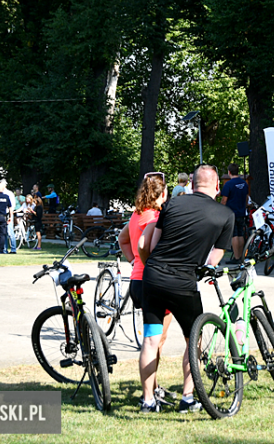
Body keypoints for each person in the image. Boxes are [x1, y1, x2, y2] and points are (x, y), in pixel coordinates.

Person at [137, 164, 233, 414]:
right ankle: (187, 397)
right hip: (183, 284)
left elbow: (152, 245)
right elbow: (213, 261)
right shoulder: (225, 215)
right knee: (195, 339)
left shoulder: (171, 204)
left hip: (153, 277)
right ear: (216, 186)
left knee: (150, 339)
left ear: (192, 184)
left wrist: (154, 270)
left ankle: (148, 401)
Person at [118, 172, 174, 403]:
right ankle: (152, 391)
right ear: (163, 194)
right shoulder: (156, 219)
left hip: (136, 281)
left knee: (153, 338)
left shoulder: (136, 216)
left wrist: (133, 261)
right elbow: (150, 247)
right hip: (154, 281)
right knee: (157, 341)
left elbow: (123, 240)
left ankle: (154, 388)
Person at [220, 163, 249, 262]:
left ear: (229, 172)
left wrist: (220, 209)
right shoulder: (244, 183)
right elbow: (246, 198)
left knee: (234, 235)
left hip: (231, 212)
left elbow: (224, 200)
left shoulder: (228, 184)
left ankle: (236, 257)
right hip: (241, 211)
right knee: (240, 234)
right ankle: (241, 256)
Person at [0, 179, 17, 253]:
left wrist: (10, 215)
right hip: (2, 214)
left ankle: (13, 249)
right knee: (3, 233)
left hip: (8, 214)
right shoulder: (0, 193)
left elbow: (12, 206)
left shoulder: (9, 193)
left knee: (10, 232)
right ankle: (4, 249)